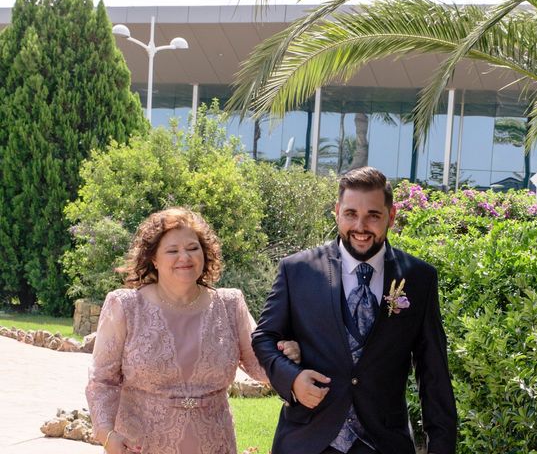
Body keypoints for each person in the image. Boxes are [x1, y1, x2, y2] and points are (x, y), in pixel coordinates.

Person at [252, 167, 457, 454]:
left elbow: (433, 373)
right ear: (337, 212)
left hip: (383, 443)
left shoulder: (419, 278)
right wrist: (293, 380)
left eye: (373, 215)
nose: (360, 226)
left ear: (391, 216)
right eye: (350, 214)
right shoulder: (297, 270)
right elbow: (264, 338)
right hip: (308, 439)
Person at [86, 207, 299, 454]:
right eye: (172, 250)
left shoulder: (230, 305)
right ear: (154, 258)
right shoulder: (124, 306)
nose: (184, 257)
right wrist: (106, 433)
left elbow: (260, 365)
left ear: (205, 253)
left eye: (192, 248)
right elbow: (102, 379)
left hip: (214, 445)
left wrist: (285, 355)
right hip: (140, 446)